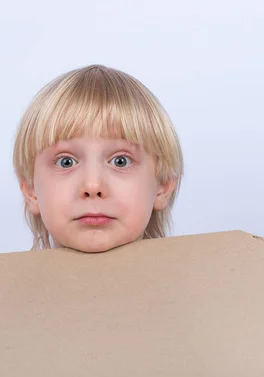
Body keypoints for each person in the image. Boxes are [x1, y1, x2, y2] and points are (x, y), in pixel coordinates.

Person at [13, 64, 183, 253]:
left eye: (121, 161)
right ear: (31, 190)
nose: (93, 187)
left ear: (163, 186)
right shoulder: (1, 282)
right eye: (66, 161)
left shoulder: (199, 280)